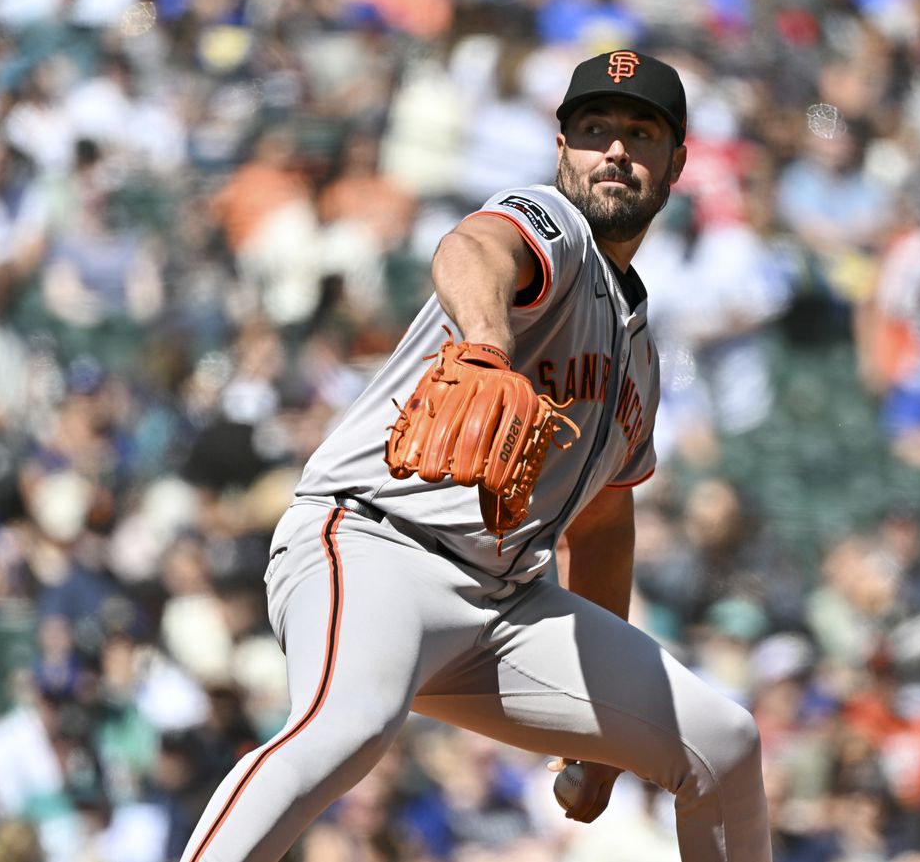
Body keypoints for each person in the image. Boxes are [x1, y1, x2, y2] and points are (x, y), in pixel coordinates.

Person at [179, 50, 771, 862]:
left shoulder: (639, 353)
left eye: (641, 134)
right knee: (348, 727)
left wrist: (600, 746)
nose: (614, 150)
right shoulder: (552, 224)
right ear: (561, 149)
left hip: (505, 604)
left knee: (724, 744)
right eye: (593, 129)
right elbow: (475, 246)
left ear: (677, 164)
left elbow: (603, 527)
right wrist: (488, 343)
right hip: (379, 548)